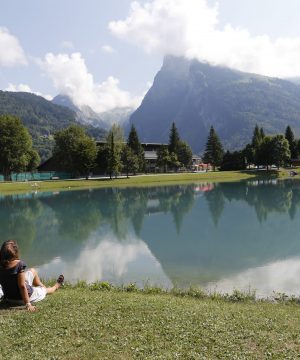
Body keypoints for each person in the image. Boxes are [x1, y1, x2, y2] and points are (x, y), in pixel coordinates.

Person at [0, 240, 64, 312]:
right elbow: (22, 286)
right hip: (22, 299)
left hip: (9, 298)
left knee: (32, 271)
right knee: (45, 290)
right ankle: (56, 286)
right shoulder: (19, 265)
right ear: (15, 252)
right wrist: (28, 304)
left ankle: (41, 286)